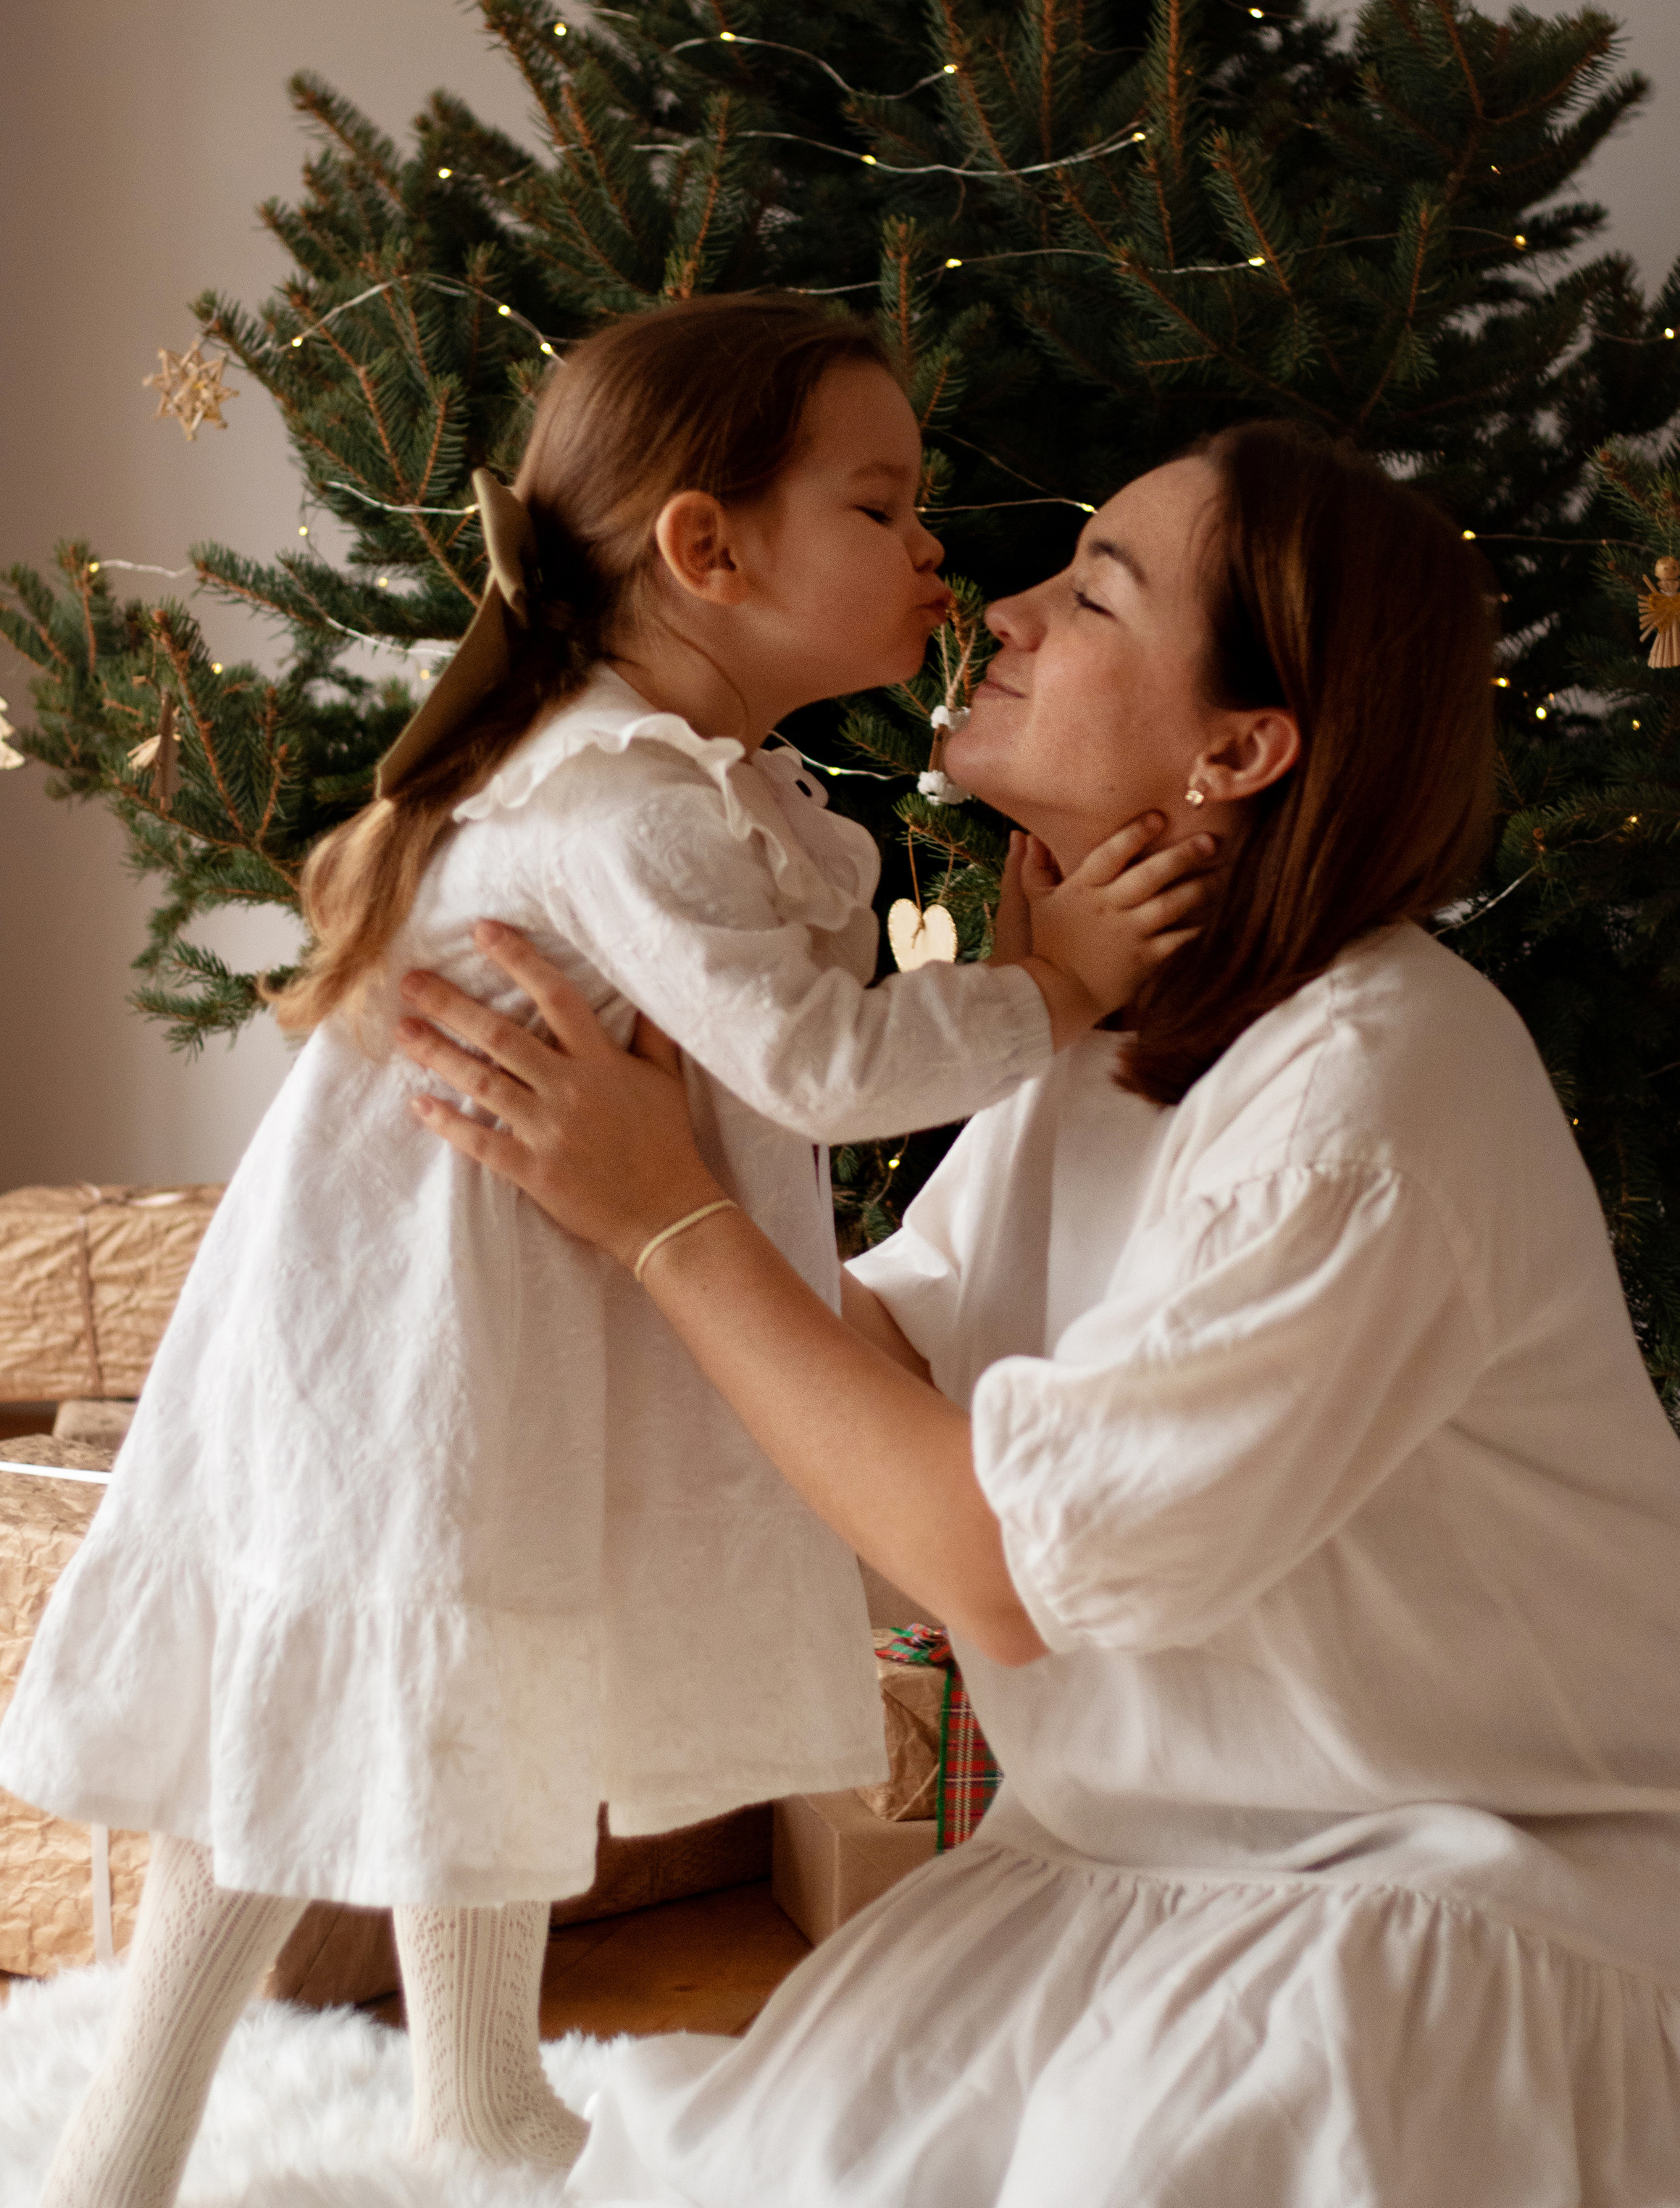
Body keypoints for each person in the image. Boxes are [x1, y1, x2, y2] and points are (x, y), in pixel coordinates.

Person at [399, 421, 1680, 2208]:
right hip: (1125, 1857)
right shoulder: (1097, 1043)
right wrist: (630, 1159)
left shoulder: (1370, 1088)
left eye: (1092, 593)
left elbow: (997, 1561)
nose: (999, 609)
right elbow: (882, 1386)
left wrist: (672, 1226)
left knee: (1147, 2168)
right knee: (762, 2171)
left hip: (1477, 1876)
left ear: (1237, 749)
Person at [0, 295, 1209, 2208]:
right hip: (401, 1344)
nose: (936, 552)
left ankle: (476, 2096)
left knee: (475, 1682)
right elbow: (813, 1067)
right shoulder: (620, 801)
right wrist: (1047, 991)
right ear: (708, 550)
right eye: (881, 507)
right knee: (310, 1724)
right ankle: (121, 2149)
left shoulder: (669, 780)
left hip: (486, 1325)